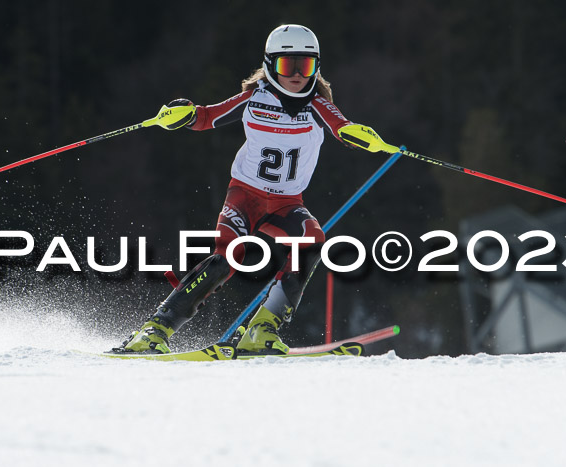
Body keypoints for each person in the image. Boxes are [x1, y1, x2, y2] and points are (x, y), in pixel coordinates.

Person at [116, 24, 383, 354]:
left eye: (307, 65)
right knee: (228, 256)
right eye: (289, 65)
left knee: (312, 240)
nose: (298, 74)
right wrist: (181, 115)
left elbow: (342, 127)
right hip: (245, 195)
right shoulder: (254, 99)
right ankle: (155, 329)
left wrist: (362, 137)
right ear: (271, 65)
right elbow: (205, 117)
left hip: (287, 203)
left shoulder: (318, 106)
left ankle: (262, 329)